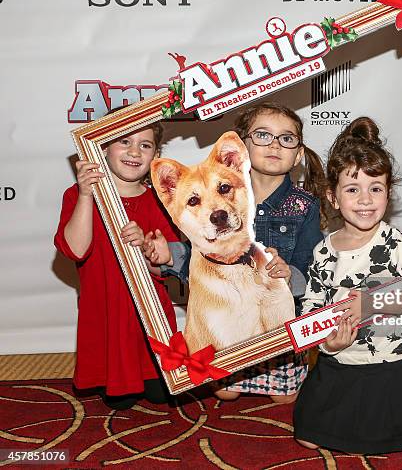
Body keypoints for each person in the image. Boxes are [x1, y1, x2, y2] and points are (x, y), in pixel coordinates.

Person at [144, 102, 327, 403]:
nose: (275, 145)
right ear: (242, 151)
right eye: (263, 135)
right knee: (226, 393)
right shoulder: (227, 189)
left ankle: (279, 371)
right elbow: (199, 254)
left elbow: (311, 267)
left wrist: (289, 274)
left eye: (287, 138)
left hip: (275, 318)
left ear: (299, 154)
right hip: (232, 318)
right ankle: (235, 367)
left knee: (285, 399)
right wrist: (170, 255)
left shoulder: (304, 205)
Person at [293, 117, 402, 454]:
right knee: (306, 437)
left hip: (388, 364)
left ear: (388, 194)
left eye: (376, 189)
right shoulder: (323, 250)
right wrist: (328, 342)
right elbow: (312, 306)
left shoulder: (394, 242)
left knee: (388, 444)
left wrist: (372, 303)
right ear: (333, 196)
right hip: (338, 361)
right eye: (352, 189)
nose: (365, 199)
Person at [54, 121, 179, 410]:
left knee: (164, 394)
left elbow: (170, 268)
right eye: (124, 141)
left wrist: (147, 252)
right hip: (106, 310)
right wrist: (87, 195)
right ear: (103, 148)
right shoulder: (75, 195)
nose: (134, 151)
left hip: (150, 316)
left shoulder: (160, 202)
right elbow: (75, 250)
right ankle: (117, 376)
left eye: (145, 145)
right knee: (119, 400)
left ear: (154, 155)